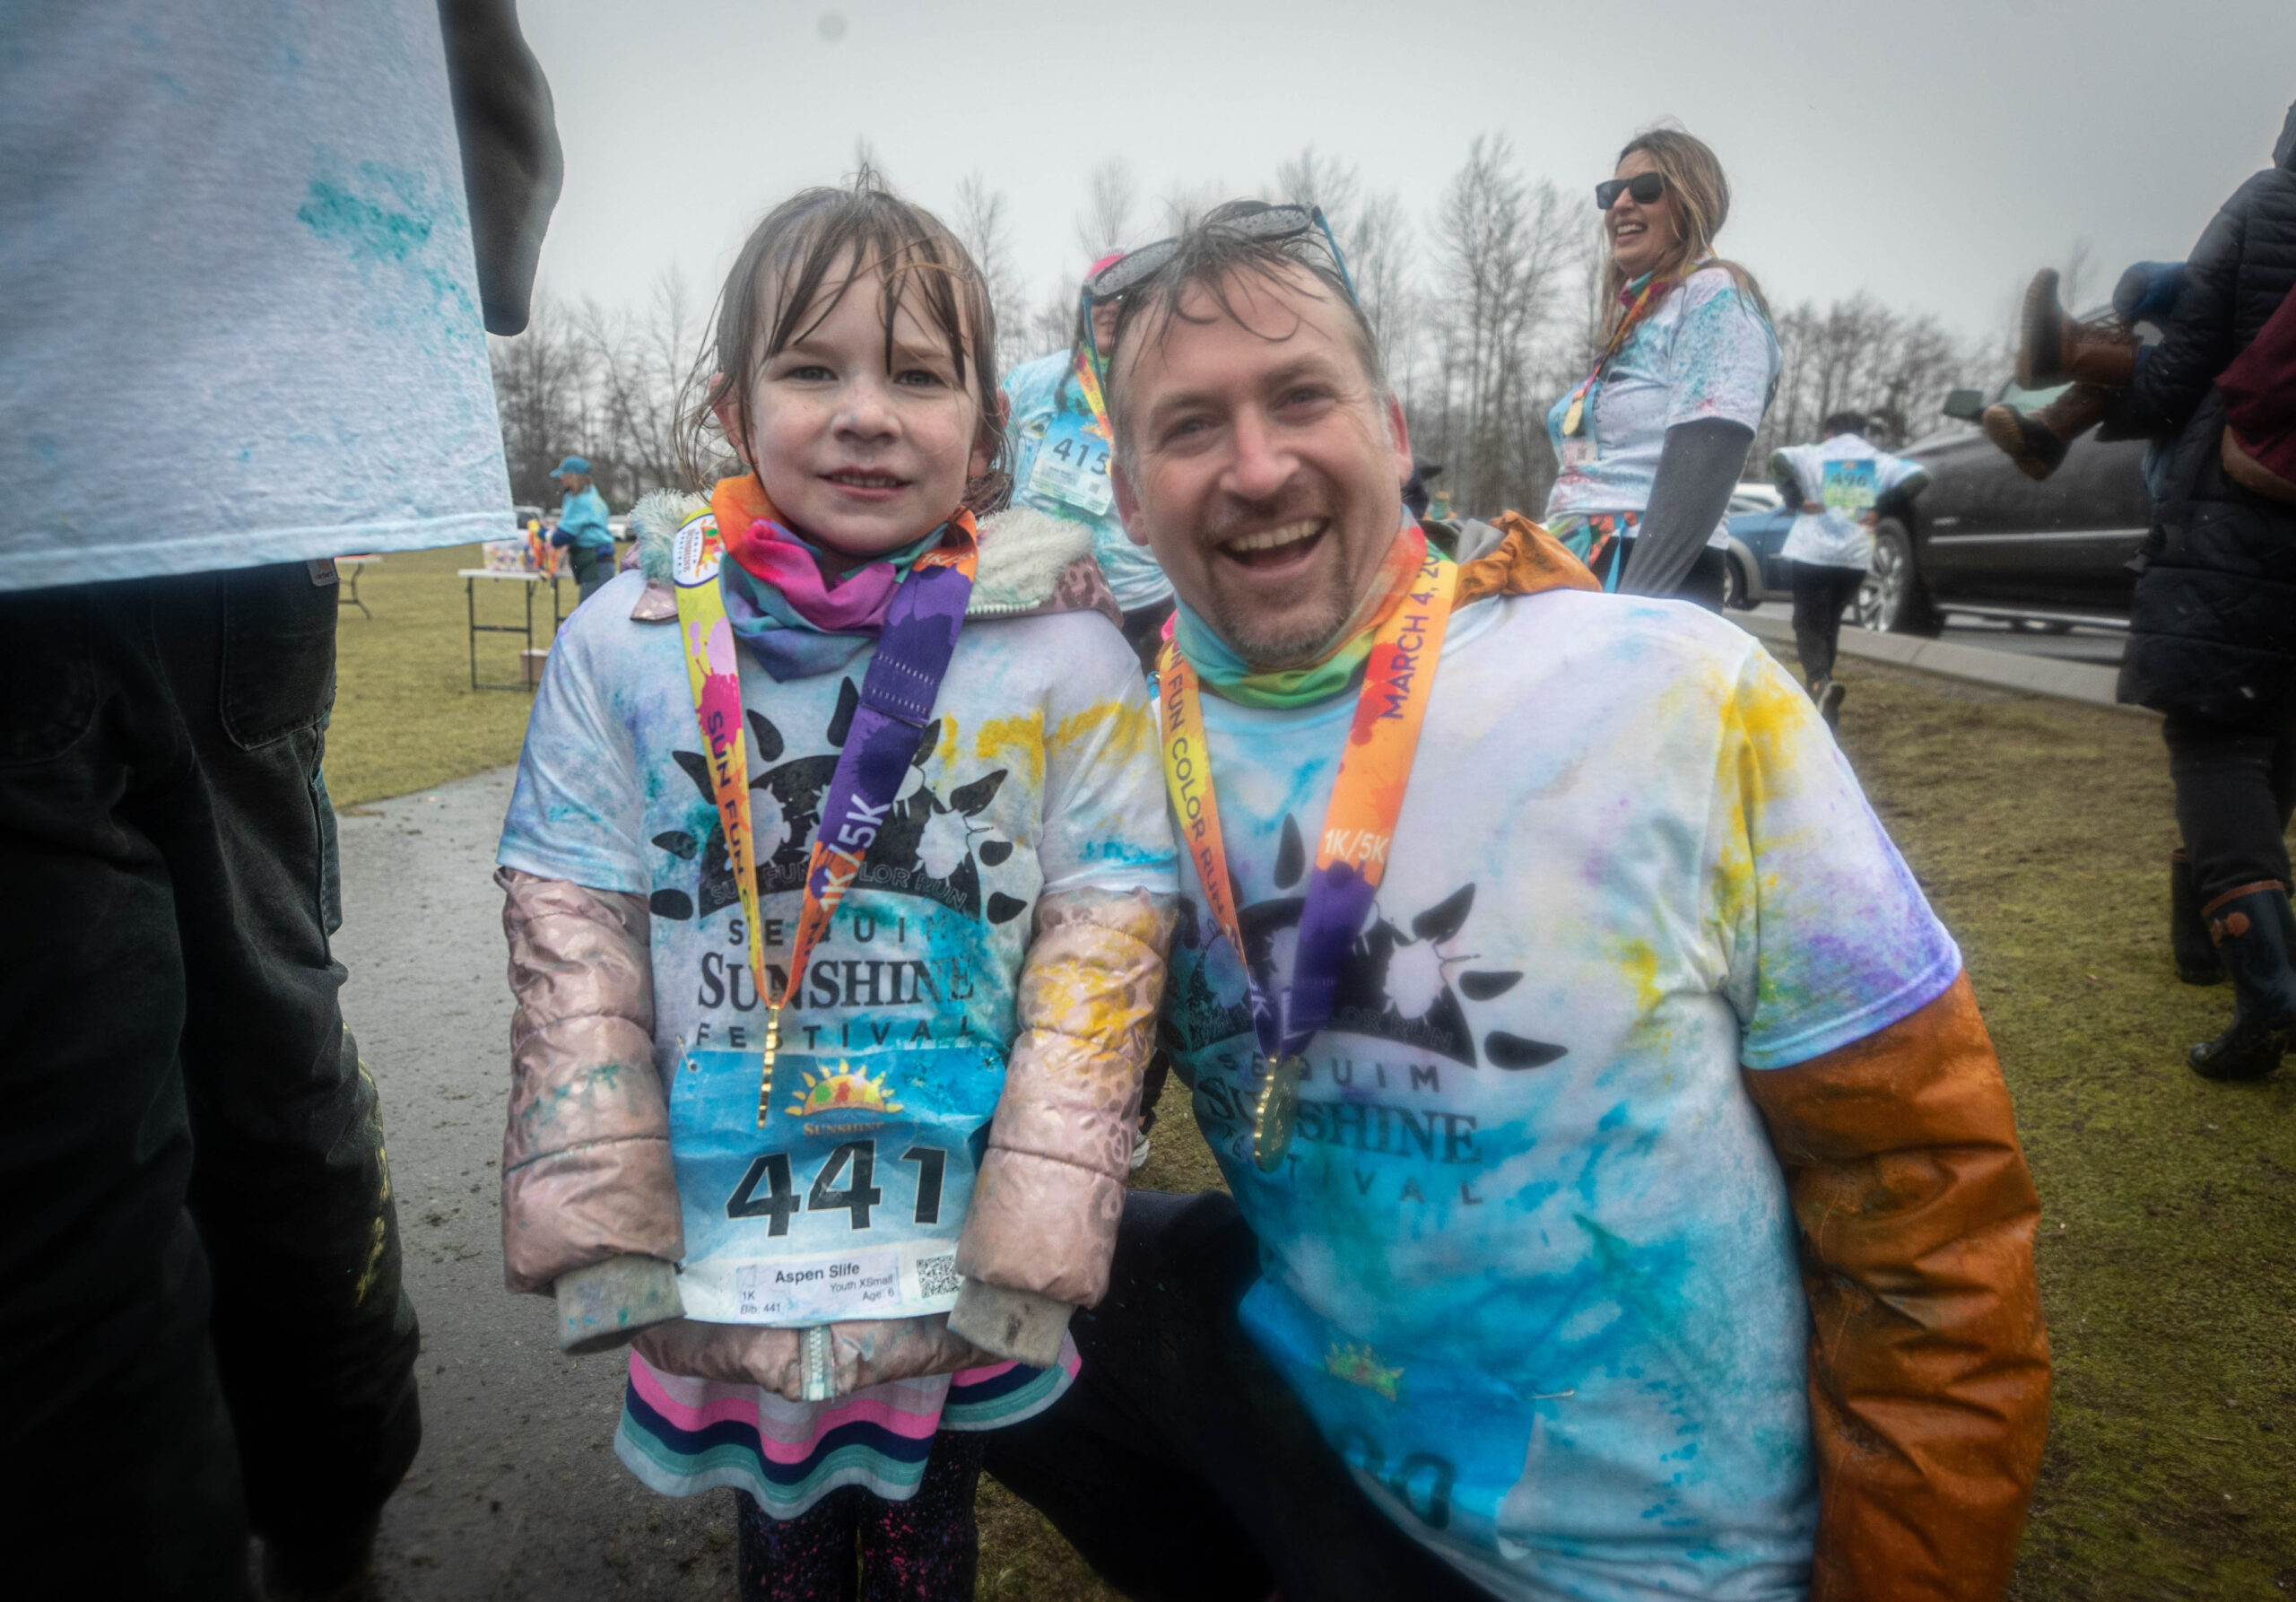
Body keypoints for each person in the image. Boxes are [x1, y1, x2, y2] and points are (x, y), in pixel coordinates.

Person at [984, 204, 2050, 1601]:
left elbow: (1927, 1215)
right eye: (1189, 428)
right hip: (1335, 1460)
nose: (1256, 466)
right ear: (1126, 497)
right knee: (977, 1262)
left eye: (1301, 397)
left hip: (1665, 1567)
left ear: (1395, 429)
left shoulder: (1675, 691)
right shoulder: (1119, 758)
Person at [491, 176, 1177, 1602]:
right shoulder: (627, 642)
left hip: (950, 1244)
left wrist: (1039, 1227)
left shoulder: (1067, 664)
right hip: (725, 1239)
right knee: (783, 1535)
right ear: (732, 404)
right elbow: (574, 931)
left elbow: (1103, 950)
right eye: (814, 367)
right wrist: (608, 1219)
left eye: (917, 375)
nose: (866, 411)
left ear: (987, 426)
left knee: (927, 1533)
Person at [0, 3, 559, 1597]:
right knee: (273, 1027)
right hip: (247, 492)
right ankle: (337, 1539)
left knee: (58, 1174)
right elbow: (504, 206)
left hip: (49, 466)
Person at [2106, 97, 2296, 1082]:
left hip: (2240, 510)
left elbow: (2179, 373)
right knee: (2278, 725)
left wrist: (2107, 389)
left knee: (2217, 742)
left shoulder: (2270, 200)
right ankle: (2202, 950)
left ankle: (2270, 988)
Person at [1544, 127, 1780, 607]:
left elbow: (1708, 460)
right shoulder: (1642, 314)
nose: (1621, 204)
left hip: (1643, 571)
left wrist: (1636, 608)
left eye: (1646, 188)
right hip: (1581, 560)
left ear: (1692, 200)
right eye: (1611, 193)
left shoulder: (1714, 295)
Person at [1003, 254, 1178, 671]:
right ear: (1084, 305)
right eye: (1104, 294)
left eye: (1128, 296)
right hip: (1045, 594)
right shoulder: (1031, 381)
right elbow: (991, 469)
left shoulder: (1169, 381)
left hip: (1147, 598)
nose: (1114, 305)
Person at [1769, 410, 1932, 726]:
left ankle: (1818, 683)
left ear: (1828, 432)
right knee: (1829, 622)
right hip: (1854, 557)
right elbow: (1920, 477)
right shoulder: (1877, 460)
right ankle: (1824, 696)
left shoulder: (1814, 453)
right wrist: (1880, 509)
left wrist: (1795, 499)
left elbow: (1778, 460)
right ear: (1862, 433)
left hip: (1811, 552)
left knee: (1808, 623)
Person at [551, 455, 619, 600]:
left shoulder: (581, 501)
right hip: (599, 562)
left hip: (596, 563)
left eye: (563, 475)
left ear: (573, 477)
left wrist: (546, 536)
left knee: (590, 615)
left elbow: (564, 535)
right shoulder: (593, 497)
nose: (560, 479)